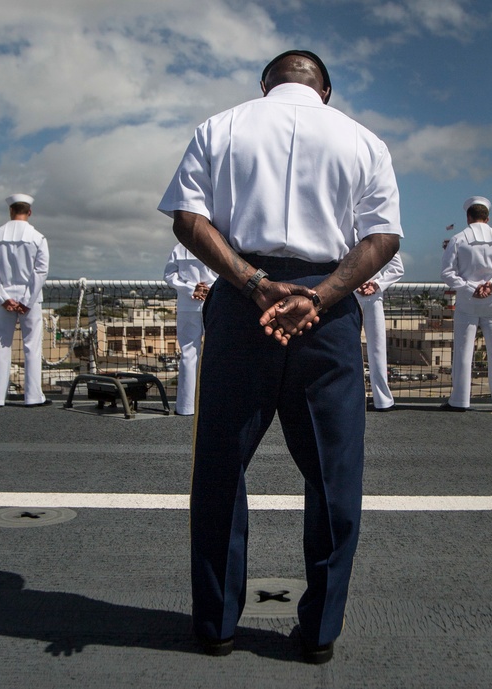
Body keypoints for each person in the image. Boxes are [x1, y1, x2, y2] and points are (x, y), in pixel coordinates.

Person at [158, 49, 402, 663]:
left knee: (220, 468)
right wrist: (317, 296)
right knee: (333, 475)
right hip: (328, 307)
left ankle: (216, 625)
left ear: (266, 85)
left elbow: (188, 218)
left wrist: (256, 285)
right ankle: (318, 634)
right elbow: (383, 238)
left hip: (244, 304)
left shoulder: (221, 127)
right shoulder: (363, 140)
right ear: (324, 89)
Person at [441, 196, 492, 412]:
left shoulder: (458, 239)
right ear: (487, 218)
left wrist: (470, 287)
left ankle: (459, 401)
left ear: (469, 217)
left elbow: (447, 272)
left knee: (463, 350)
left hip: (467, 301)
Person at [0, 193, 50, 407]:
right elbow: (41, 271)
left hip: (5, 298)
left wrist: (1, 296)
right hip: (30, 300)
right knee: (32, 347)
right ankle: (33, 396)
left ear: (10, 210)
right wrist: (27, 300)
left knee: (1, 347)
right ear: (29, 212)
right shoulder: (38, 238)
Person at [163, 243, 218, 415]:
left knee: (188, 353)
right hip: (215, 301)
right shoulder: (219, 243)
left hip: (188, 304)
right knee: (216, 352)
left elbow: (169, 275)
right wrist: (209, 289)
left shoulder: (180, 247)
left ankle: (186, 406)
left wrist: (191, 289)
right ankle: (214, 403)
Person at [355, 252, 404, 411]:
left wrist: (375, 285)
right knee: (377, 348)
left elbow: (397, 268)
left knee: (362, 348)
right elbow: (397, 268)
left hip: (355, 295)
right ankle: (382, 401)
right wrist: (377, 284)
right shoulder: (379, 234)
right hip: (369, 296)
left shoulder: (345, 230)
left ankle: (362, 399)